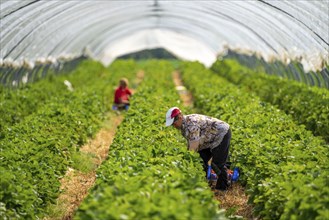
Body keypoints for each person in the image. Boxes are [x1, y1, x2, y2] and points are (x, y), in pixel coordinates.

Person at [165, 107, 231, 191]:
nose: (173, 126)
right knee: (201, 159)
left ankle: (222, 188)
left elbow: (194, 146)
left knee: (217, 163)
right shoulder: (184, 125)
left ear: (180, 117)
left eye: (174, 123)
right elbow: (191, 142)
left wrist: (187, 161)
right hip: (207, 138)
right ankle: (206, 181)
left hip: (221, 133)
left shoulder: (191, 124)